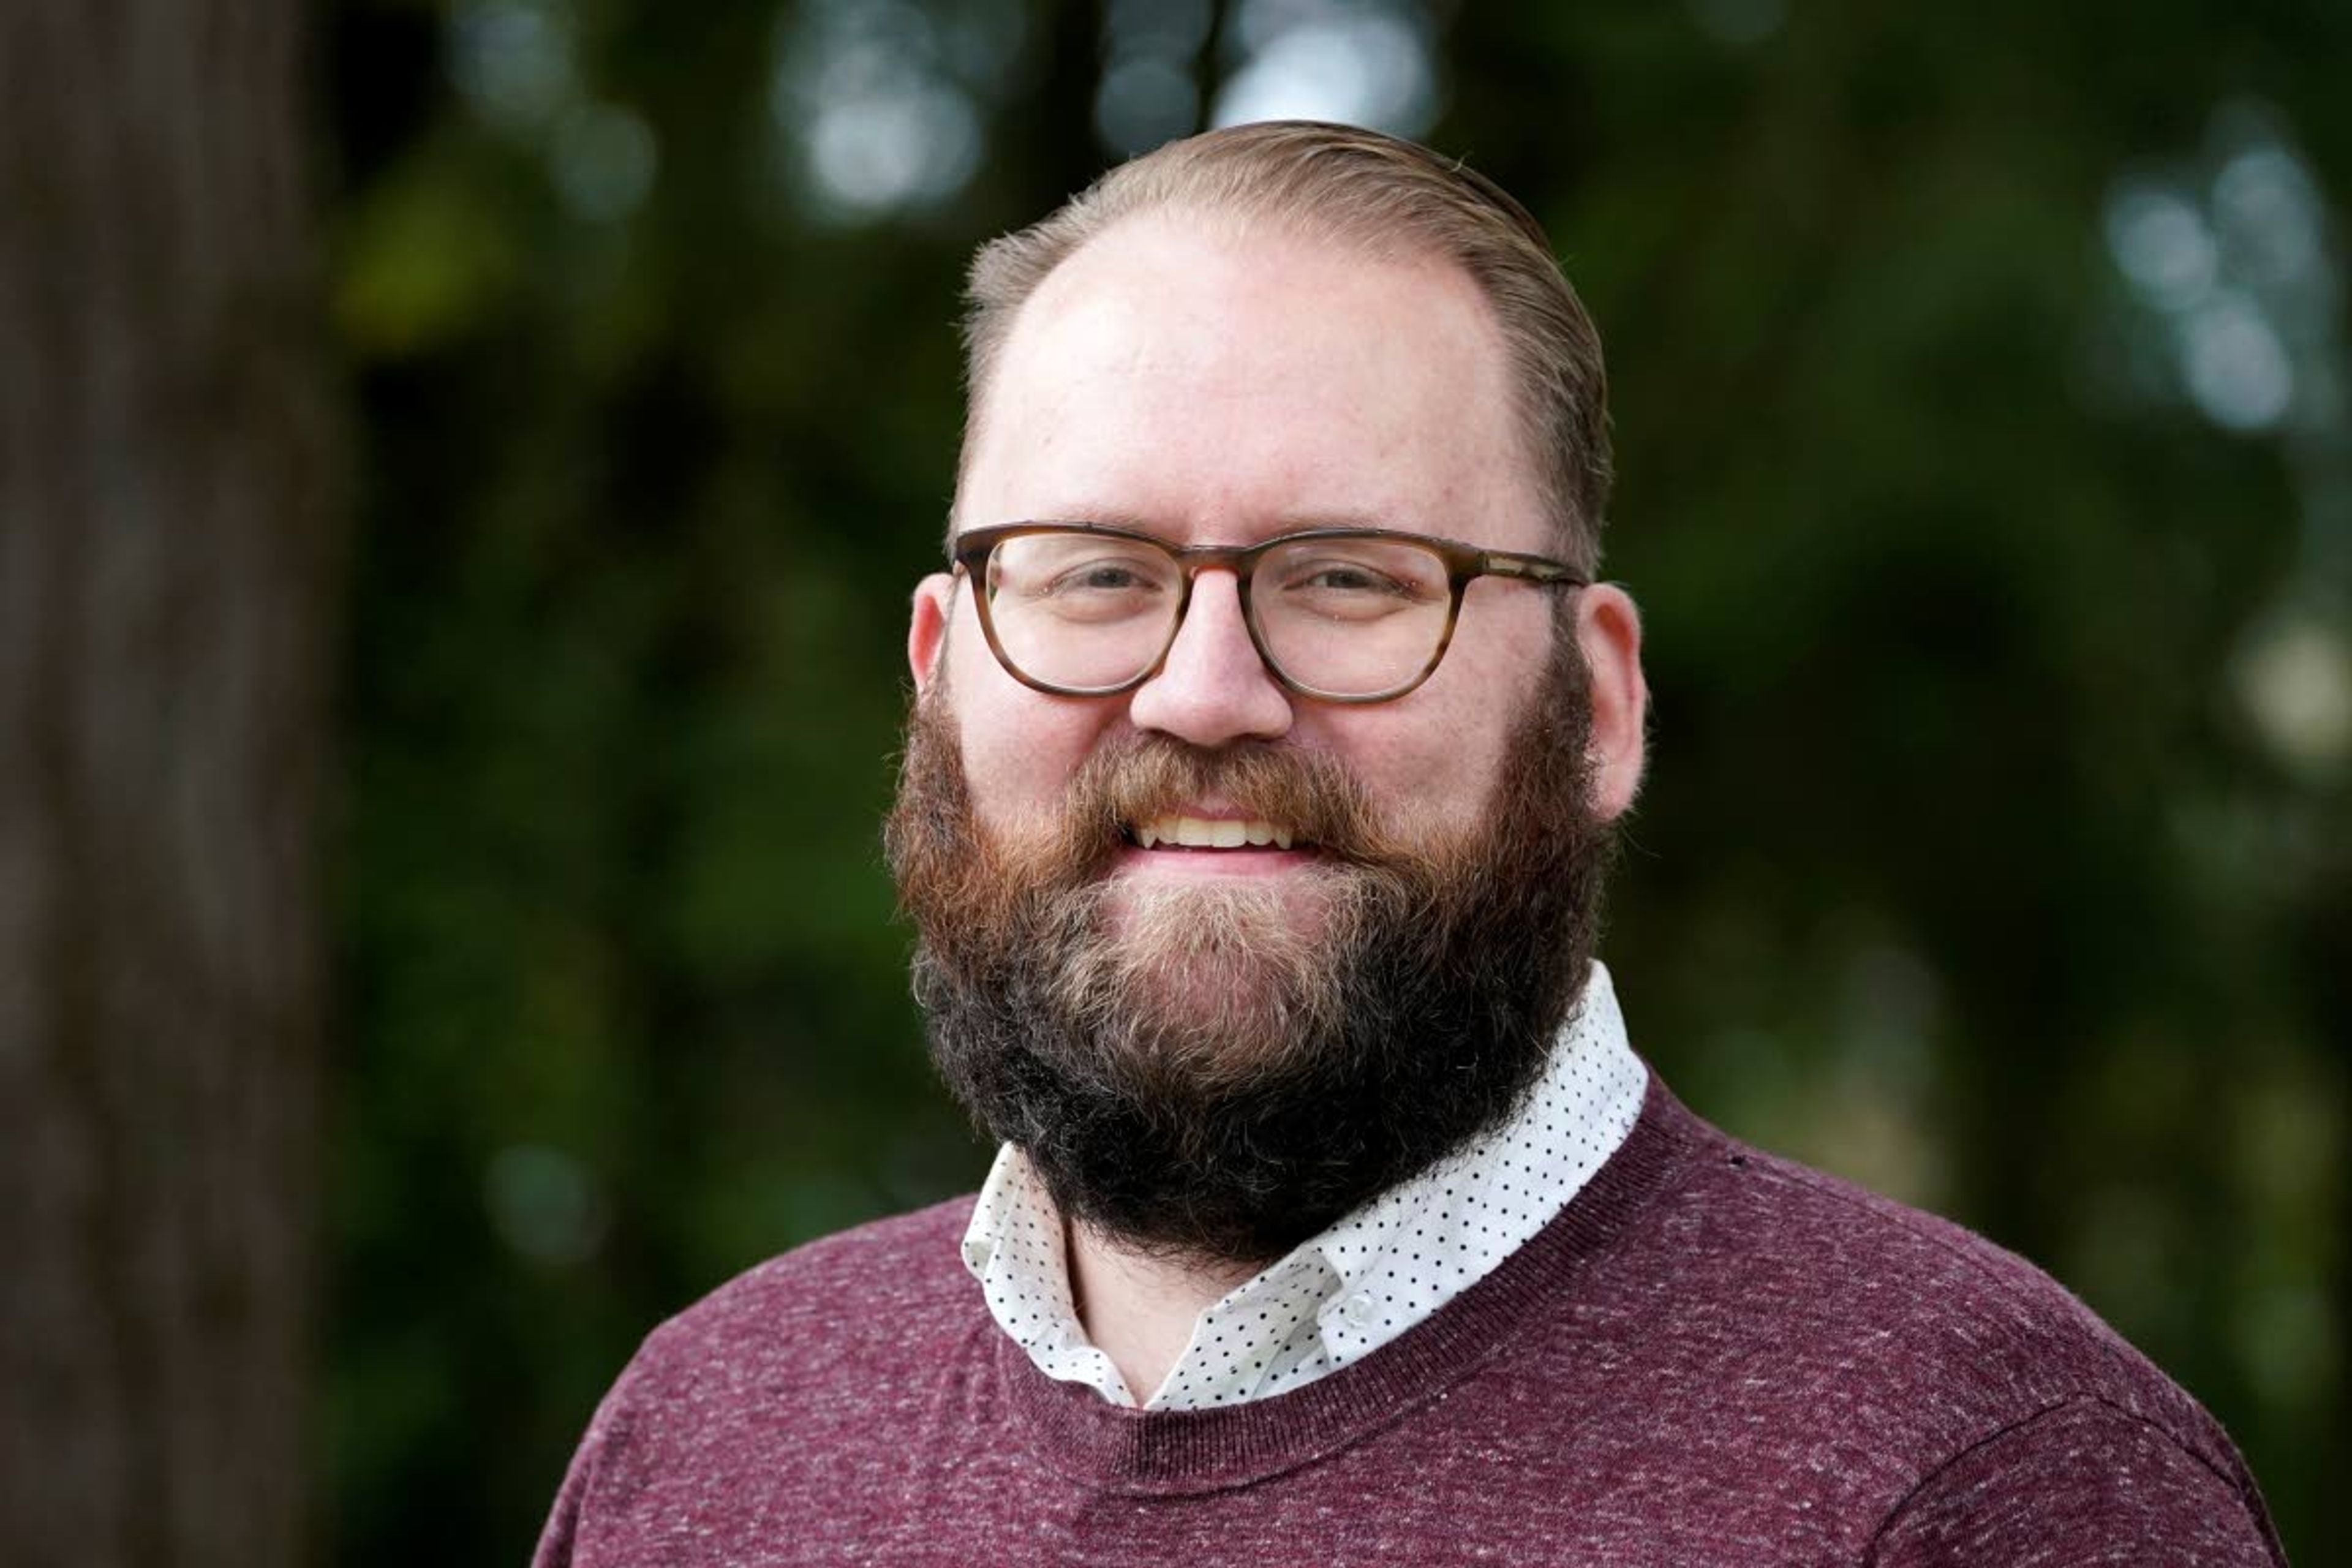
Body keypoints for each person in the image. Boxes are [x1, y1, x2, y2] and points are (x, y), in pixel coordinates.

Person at [533, 121, 2284, 1566]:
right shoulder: (706, 1443)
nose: (1204, 693)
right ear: (940, 676)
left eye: (1352, 578)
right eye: (1096, 575)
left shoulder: (1992, 1484)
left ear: (1595, 706)